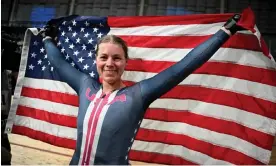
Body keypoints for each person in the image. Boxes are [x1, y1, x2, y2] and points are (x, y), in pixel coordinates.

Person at [38, 13, 250, 165]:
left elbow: (184, 66)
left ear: (125, 63)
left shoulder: (138, 95)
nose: (110, 63)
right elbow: (58, 63)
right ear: (96, 61)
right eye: (104, 57)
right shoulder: (85, 86)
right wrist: (47, 37)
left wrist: (226, 31)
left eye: (117, 58)